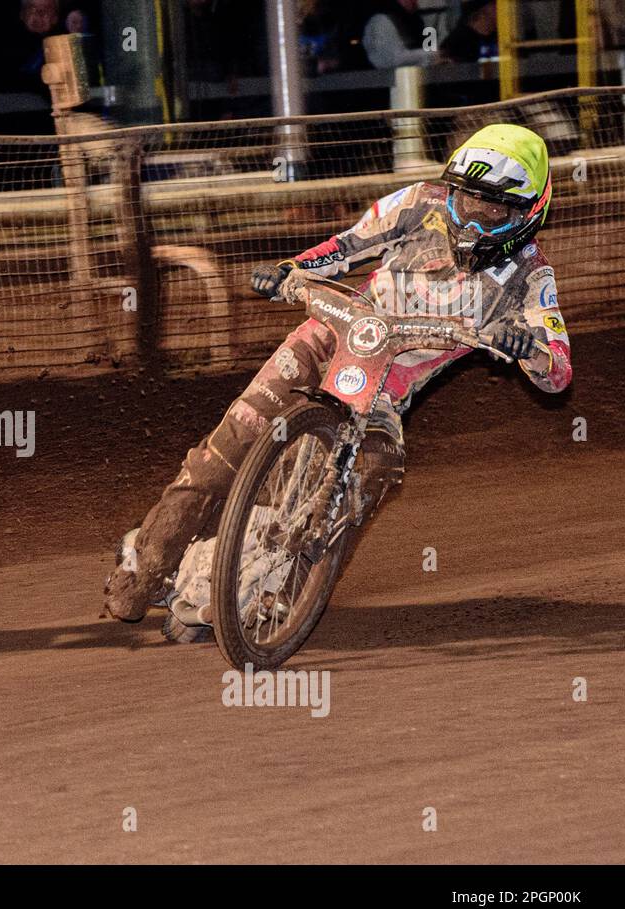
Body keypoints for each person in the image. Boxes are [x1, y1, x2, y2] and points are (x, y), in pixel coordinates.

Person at [104, 124, 572, 628]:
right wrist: (291, 269)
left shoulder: (531, 277)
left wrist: (531, 351)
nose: (470, 216)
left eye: (491, 208)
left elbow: (558, 373)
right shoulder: (420, 203)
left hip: (385, 386)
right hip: (329, 337)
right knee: (226, 452)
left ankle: (284, 591)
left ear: (527, 213)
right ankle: (142, 569)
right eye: (463, 199)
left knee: (376, 467)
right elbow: (345, 247)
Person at [361, 0, 437, 70]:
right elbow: (392, 59)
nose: (416, 1)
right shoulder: (382, 21)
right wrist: (432, 55)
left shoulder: (413, 21)